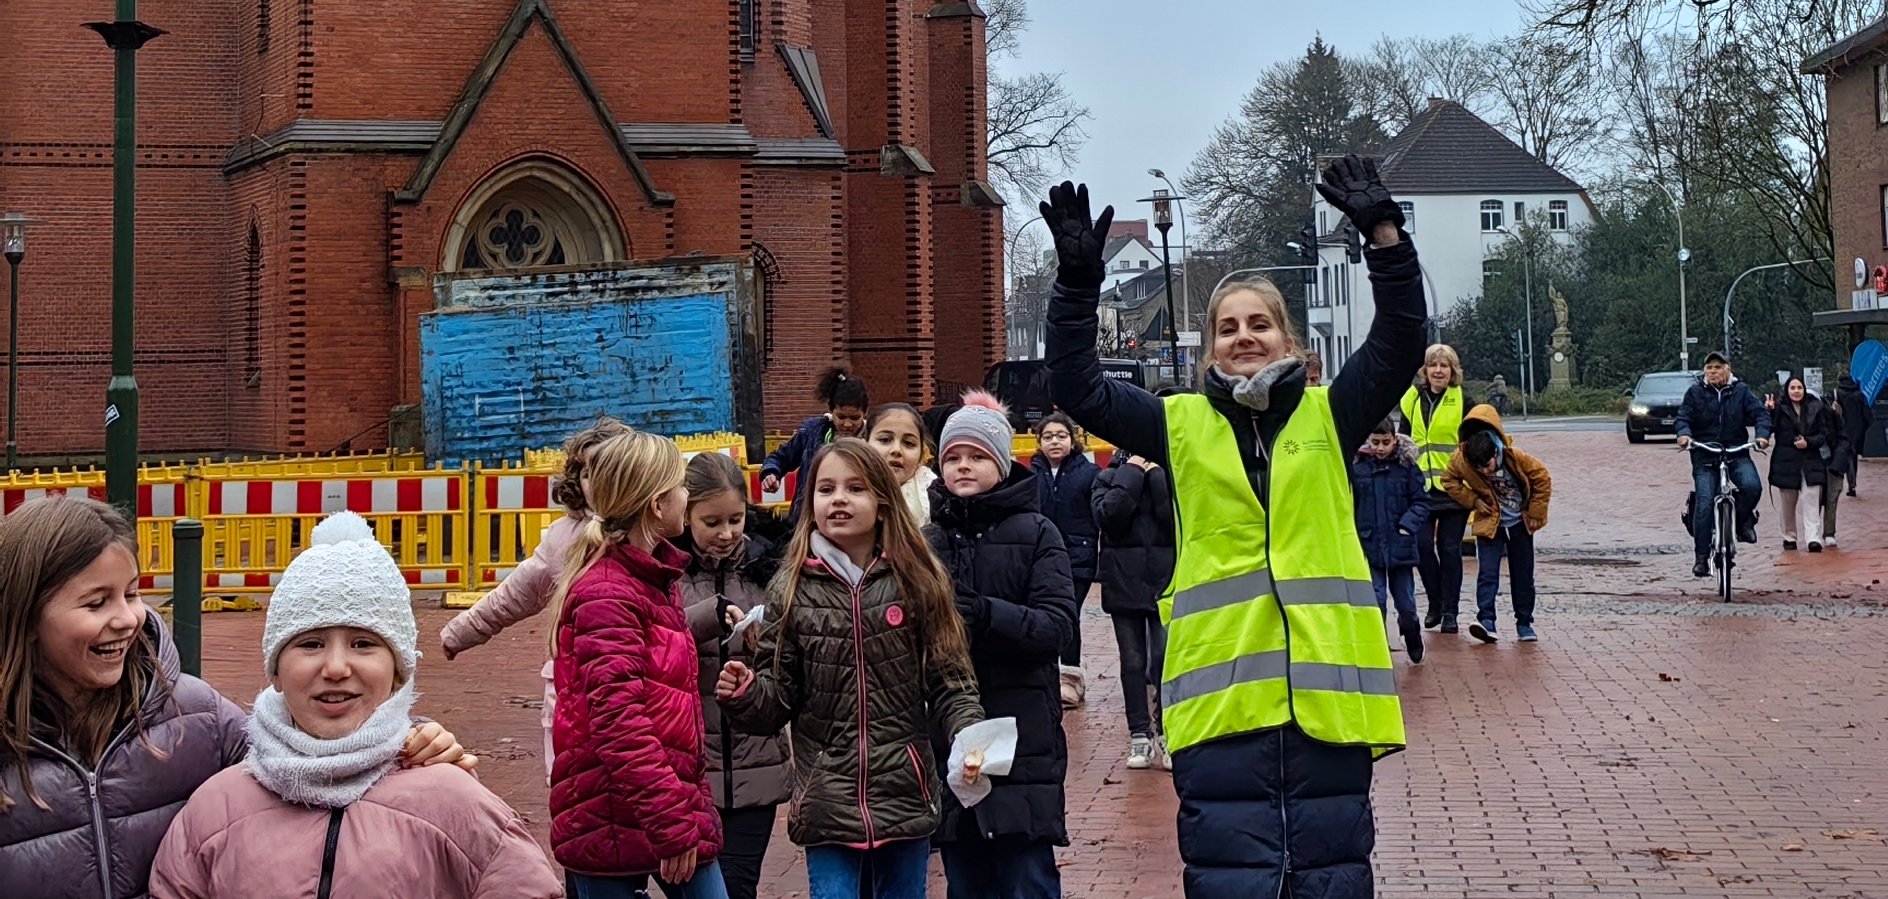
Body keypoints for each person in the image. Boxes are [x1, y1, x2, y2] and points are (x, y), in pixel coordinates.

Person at [1044, 156, 1422, 897]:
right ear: (1209, 344)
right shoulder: (1176, 424)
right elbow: (1076, 385)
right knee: (1232, 882)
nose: (1242, 337)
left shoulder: (1330, 412)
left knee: (1332, 880)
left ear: (1288, 340)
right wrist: (1076, 289)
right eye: (1227, 327)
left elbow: (1401, 339)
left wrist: (1384, 235)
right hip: (1221, 706)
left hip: (1327, 702)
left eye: (1258, 324)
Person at [0, 496, 468, 898]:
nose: (127, 618)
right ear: (25, 614)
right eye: (96, 602)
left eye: (132, 593)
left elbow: (309, 748)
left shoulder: (190, 714)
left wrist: (410, 742)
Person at [150, 512, 562, 898]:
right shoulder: (212, 814)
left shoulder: (457, 804)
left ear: (399, 672)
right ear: (275, 670)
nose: (335, 667)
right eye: (310, 644)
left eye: (363, 644)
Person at [716, 439, 984, 899]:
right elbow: (777, 696)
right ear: (811, 503)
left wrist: (970, 732)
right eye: (826, 489)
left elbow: (950, 678)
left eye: (855, 488)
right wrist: (745, 695)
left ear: (882, 502)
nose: (838, 499)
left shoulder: (918, 578)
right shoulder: (791, 588)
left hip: (905, 790)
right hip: (826, 798)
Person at [547, 430, 727, 899]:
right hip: (613, 816)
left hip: (659, 805)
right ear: (655, 505)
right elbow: (618, 720)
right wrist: (671, 819)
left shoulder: (652, 579)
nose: (687, 496)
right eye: (680, 486)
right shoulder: (609, 593)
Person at [929, 393, 1079, 898]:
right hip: (950, 738)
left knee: (1026, 876)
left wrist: (988, 614)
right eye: (952, 457)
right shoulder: (927, 541)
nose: (963, 466)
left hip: (1023, 737)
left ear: (1000, 462)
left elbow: (1057, 627)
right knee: (965, 878)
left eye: (976, 456)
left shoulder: (1038, 533)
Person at [441, 417, 631, 780]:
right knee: (572, 785)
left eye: (610, 470)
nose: (597, 482)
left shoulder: (655, 532)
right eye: (589, 473)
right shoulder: (563, 538)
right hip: (570, 686)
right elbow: (518, 592)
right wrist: (463, 630)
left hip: (635, 681)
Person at [674, 453, 789, 899]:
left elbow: (796, 656)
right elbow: (651, 640)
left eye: (736, 519)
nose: (726, 534)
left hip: (755, 762)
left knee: (739, 888)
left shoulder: (770, 569)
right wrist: (706, 617)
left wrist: (773, 642)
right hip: (690, 766)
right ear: (685, 514)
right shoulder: (667, 571)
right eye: (711, 522)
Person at [1091, 445, 1175, 770]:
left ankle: (1168, 733)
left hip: (1164, 581)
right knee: (1133, 662)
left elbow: (1172, 521)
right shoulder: (1107, 478)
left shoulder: (1169, 475)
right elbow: (1109, 516)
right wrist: (1133, 472)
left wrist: (1156, 476)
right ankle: (1139, 735)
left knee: (1164, 660)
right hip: (1123, 583)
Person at [1441, 406, 1552, 643]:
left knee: (1523, 575)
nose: (1484, 471)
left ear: (1496, 452)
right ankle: (1486, 621)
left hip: (1520, 524)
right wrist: (1474, 501)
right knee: (1487, 574)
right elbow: (1448, 480)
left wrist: (1534, 512)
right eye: (1478, 468)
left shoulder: (1516, 457)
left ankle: (1524, 623)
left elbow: (1542, 477)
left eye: (1488, 465)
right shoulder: (1462, 459)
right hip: (1490, 524)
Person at [1675, 351, 1772, 577]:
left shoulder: (1741, 391)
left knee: (1752, 486)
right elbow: (1683, 418)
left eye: (1718, 367)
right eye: (1709, 368)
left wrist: (1762, 435)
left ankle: (1741, 522)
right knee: (1705, 503)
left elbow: (1760, 414)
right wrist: (1684, 435)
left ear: (1728, 369)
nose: (1713, 372)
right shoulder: (1695, 392)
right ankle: (1701, 557)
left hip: (1735, 451)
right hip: (1705, 453)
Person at [1400, 344, 1474, 633]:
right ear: (1425, 371)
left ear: (1453, 371)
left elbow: (1475, 442)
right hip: (1421, 488)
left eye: (1444, 366)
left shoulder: (1464, 400)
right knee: (1421, 548)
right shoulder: (1412, 399)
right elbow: (1404, 440)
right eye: (1434, 366)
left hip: (1454, 488)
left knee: (1449, 548)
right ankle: (1434, 601)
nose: (1439, 371)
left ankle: (1450, 612)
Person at [1030, 411, 1099, 709]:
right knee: (1046, 614)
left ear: (1073, 440)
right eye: (1048, 437)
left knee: (1070, 614)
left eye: (1061, 436)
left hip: (1079, 556)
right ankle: (1048, 677)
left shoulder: (1089, 474)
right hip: (1043, 556)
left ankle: (1070, 677)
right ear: (1039, 442)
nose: (1054, 442)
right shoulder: (1031, 474)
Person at [1351, 418, 1429, 661]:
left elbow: (1422, 501)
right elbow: (1349, 501)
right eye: (1375, 442)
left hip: (1400, 544)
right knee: (1376, 598)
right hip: (1369, 541)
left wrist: (1407, 526)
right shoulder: (1358, 467)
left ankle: (1411, 632)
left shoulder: (1406, 467)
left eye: (1386, 442)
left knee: (1406, 603)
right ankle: (1377, 644)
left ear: (1395, 440)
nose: (1381, 448)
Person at [761, 366, 869, 519]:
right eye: (841, 417)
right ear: (831, 411)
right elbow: (781, 457)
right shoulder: (812, 433)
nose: (847, 424)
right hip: (807, 518)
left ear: (864, 413)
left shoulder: (872, 440)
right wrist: (771, 473)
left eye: (854, 418)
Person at [1766, 376, 1835, 553]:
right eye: (1792, 388)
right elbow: (1771, 429)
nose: (1796, 391)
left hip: (1811, 460)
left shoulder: (1815, 408)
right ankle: (1789, 536)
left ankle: (1813, 537)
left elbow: (1823, 433)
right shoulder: (1780, 409)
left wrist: (1809, 442)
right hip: (1786, 460)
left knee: (1811, 497)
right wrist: (1771, 412)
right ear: (1787, 391)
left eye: (1799, 388)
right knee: (1787, 502)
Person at [865, 402, 937, 525]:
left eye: (909, 443)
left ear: (921, 455)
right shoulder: (844, 488)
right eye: (885, 440)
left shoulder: (937, 498)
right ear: (864, 445)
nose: (896, 450)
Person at [1836, 372, 1873, 496]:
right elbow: (1868, 415)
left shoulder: (1838, 394)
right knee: (1853, 455)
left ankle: (1847, 482)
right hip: (1857, 430)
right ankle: (1852, 484)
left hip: (1843, 429)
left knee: (1846, 455)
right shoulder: (1859, 394)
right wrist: (1863, 427)